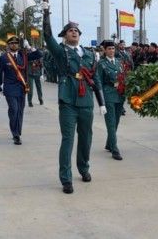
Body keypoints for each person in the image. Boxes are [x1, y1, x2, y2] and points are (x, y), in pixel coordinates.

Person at [43, 18, 104, 194]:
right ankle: (66, 179)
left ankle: (84, 168)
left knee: (86, 138)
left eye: (76, 30)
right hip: (68, 100)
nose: (74, 32)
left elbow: (95, 78)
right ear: (64, 35)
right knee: (68, 140)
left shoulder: (89, 54)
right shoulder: (61, 52)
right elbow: (47, 37)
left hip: (86, 101)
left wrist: (101, 102)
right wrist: (47, 14)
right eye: (70, 30)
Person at [0, 35, 42, 145]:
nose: (14, 45)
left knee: (20, 111)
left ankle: (18, 131)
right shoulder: (4, 57)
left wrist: (30, 47)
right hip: (10, 88)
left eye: (16, 43)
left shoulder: (23, 56)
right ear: (8, 45)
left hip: (22, 87)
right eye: (11, 43)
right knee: (14, 110)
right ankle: (15, 134)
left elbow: (39, 54)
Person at [97, 40, 125, 161]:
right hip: (108, 95)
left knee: (116, 122)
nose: (112, 51)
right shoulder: (101, 64)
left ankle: (109, 143)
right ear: (105, 50)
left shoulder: (119, 62)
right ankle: (114, 149)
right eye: (109, 49)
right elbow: (99, 83)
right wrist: (101, 102)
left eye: (113, 49)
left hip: (120, 95)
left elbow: (124, 77)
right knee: (111, 123)